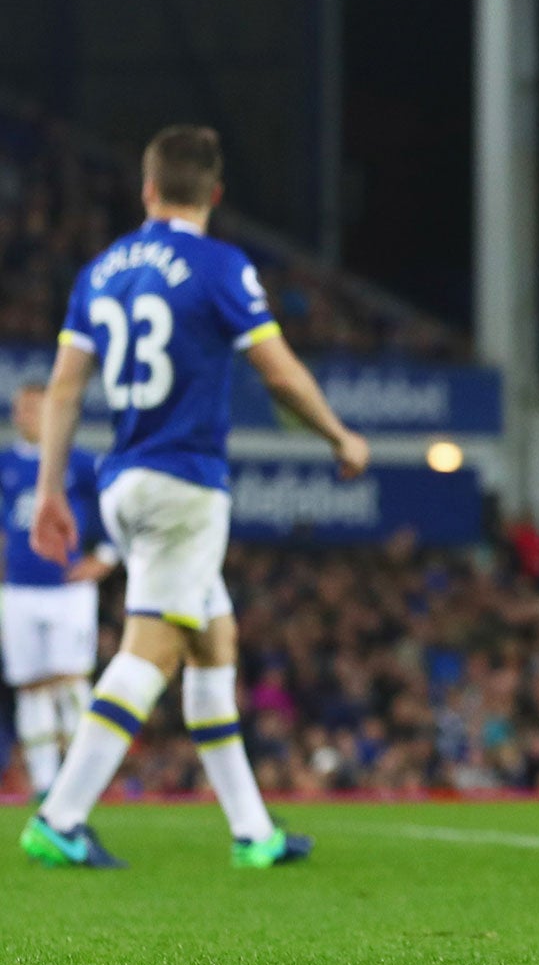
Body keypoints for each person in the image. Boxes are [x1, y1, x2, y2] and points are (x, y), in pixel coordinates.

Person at [20, 125, 370, 870]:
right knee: (154, 650)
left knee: (216, 642)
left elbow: (64, 390)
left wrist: (51, 489)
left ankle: (254, 833)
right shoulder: (220, 266)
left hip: (123, 481)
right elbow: (278, 374)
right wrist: (340, 436)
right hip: (184, 485)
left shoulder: (101, 269)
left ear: (147, 190)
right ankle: (61, 815)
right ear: (215, 193)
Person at [2, 383, 118, 799]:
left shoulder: (82, 462)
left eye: (35, 409)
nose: (26, 417)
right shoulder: (5, 465)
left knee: (71, 684)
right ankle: (45, 782)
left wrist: (107, 556)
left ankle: (84, 781)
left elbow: (117, 506)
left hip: (67, 590)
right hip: (17, 590)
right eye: (21, 409)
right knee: (30, 686)